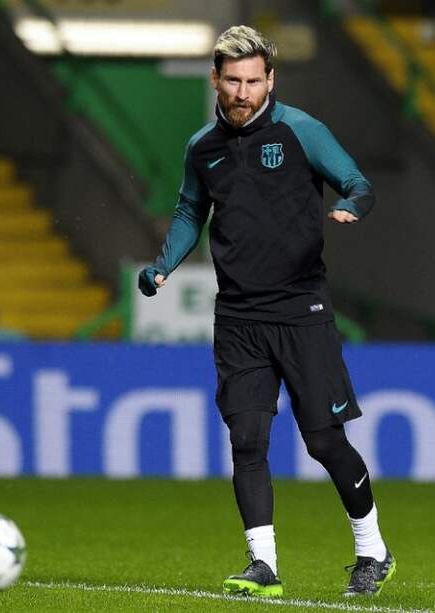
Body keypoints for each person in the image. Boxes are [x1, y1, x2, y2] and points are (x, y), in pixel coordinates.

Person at [138, 25, 395, 598]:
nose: (244, 92)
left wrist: (352, 204)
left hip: (302, 309)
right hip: (238, 317)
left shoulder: (301, 131)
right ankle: (264, 566)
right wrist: (163, 265)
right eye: (233, 80)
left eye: (255, 81)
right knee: (247, 440)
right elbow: (189, 212)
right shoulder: (202, 148)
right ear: (216, 79)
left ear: (270, 80)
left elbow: (357, 181)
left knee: (324, 442)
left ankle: (373, 550)